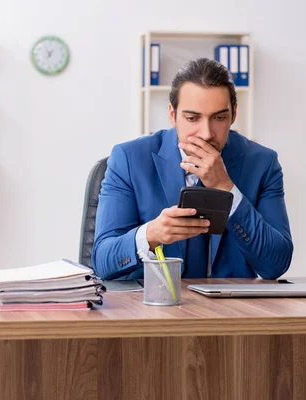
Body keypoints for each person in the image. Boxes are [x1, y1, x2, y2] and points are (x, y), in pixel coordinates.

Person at [92, 58, 293, 280]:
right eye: (192, 118)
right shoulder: (129, 159)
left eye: (219, 117)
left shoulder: (263, 163)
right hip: (152, 307)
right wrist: (151, 234)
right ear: (172, 115)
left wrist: (225, 188)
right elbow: (103, 261)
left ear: (233, 114)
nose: (206, 133)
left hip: (231, 310)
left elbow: (276, 265)